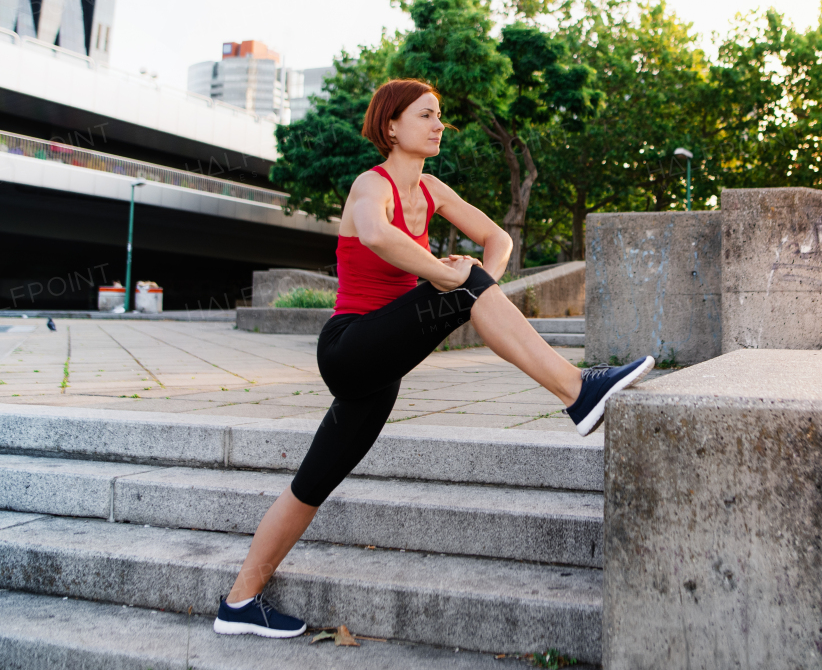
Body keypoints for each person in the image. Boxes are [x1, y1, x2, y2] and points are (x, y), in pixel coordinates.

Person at [212, 79, 654, 638]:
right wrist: (448, 275)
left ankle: (239, 603)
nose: (439, 124)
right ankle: (576, 391)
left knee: (311, 484)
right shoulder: (369, 187)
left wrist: (477, 284)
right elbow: (374, 234)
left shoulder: (434, 188)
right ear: (391, 126)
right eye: (426, 115)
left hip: (381, 372)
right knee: (464, 278)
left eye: (440, 115)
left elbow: (498, 239)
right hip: (349, 348)